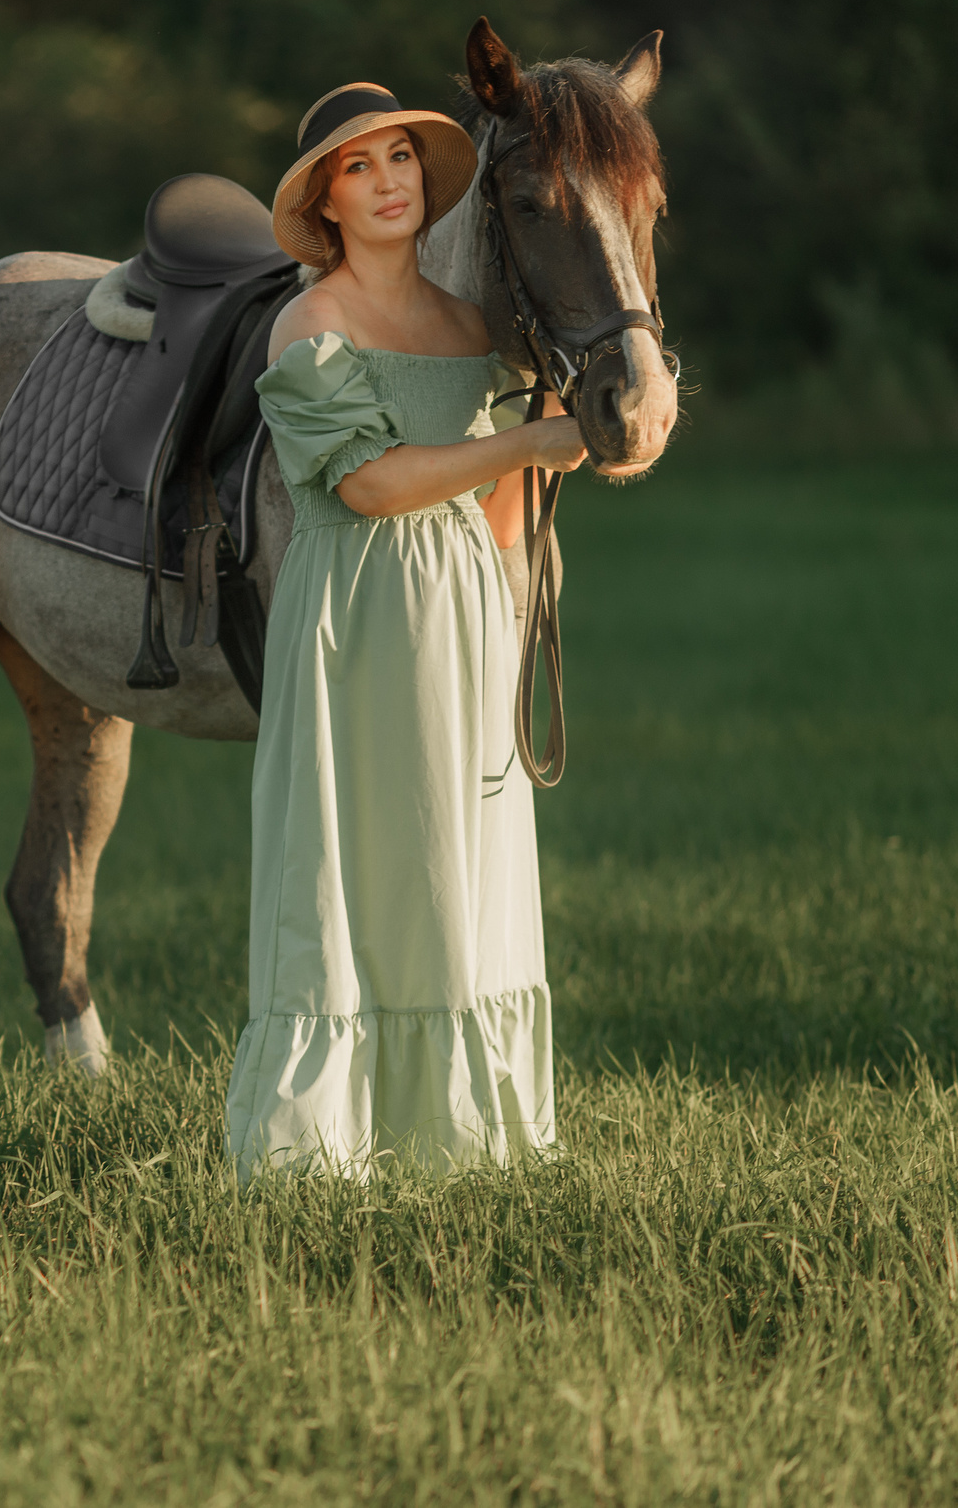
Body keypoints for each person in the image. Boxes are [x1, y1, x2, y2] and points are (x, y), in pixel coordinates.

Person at [222, 82, 588, 1179]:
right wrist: (526, 444)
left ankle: (459, 1143)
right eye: (358, 167)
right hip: (360, 614)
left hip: (464, 609)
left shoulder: (471, 328)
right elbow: (374, 485)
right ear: (324, 203)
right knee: (357, 860)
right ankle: (318, 1149)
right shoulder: (309, 323)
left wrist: (539, 480)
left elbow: (503, 493)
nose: (387, 182)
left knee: (455, 861)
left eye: (400, 160)